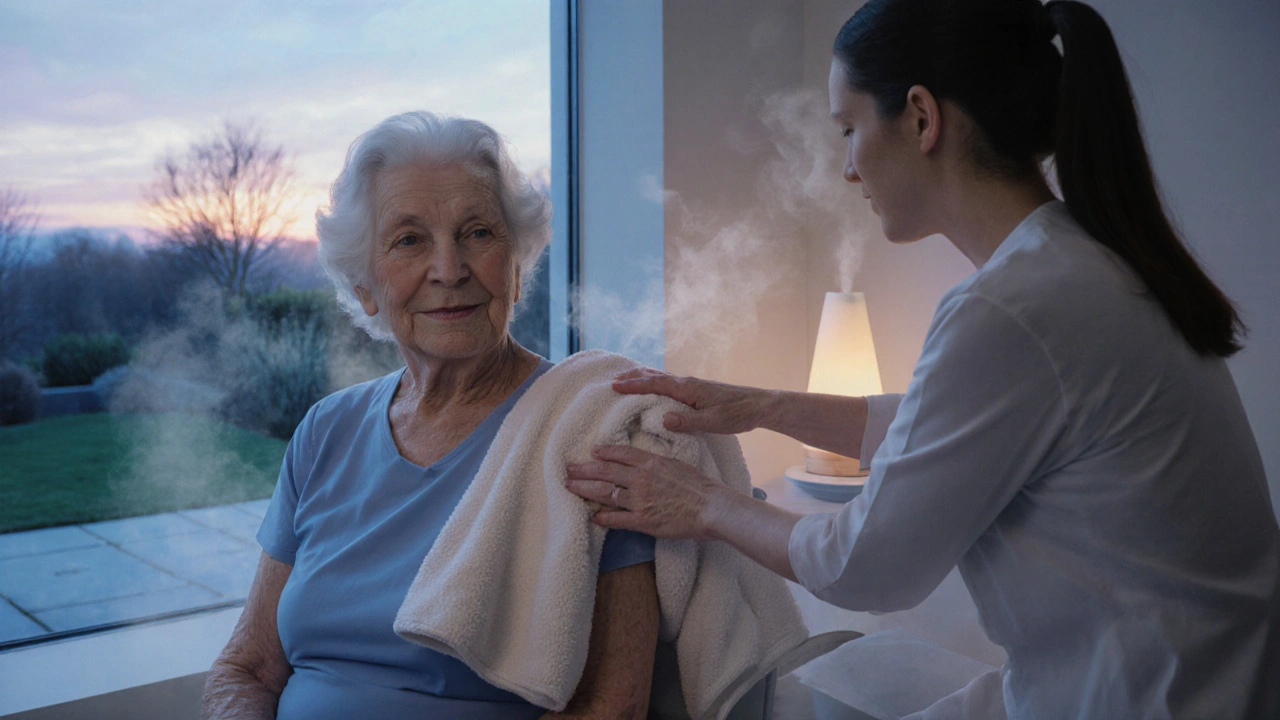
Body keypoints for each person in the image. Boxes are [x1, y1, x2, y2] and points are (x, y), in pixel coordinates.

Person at [564, 1, 1280, 718]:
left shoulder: (1010, 308)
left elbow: (865, 565)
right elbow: (945, 428)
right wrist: (762, 408)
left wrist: (702, 505)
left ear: (920, 117)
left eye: (850, 129)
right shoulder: (1081, 267)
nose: (848, 167)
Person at [202, 112, 659, 720]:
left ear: (517, 267)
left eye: (477, 233)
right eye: (410, 240)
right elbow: (248, 666)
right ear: (366, 286)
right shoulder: (324, 432)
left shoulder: (587, 427)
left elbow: (612, 706)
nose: (449, 269)